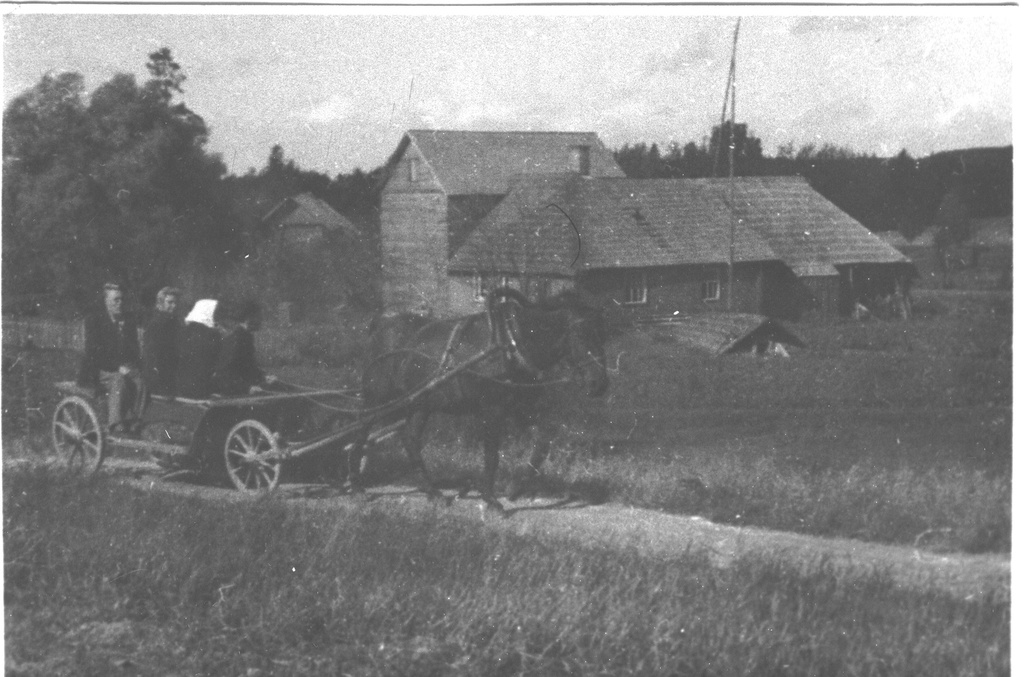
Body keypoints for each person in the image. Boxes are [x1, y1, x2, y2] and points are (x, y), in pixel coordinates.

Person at [77, 282, 147, 433]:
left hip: (122, 368)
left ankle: (136, 421)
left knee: (141, 380)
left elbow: (133, 350)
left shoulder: (128, 321)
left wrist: (135, 366)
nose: (120, 304)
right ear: (106, 301)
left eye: (122, 299)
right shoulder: (94, 320)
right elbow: (93, 353)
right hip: (98, 370)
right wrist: (118, 367)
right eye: (116, 300)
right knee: (118, 380)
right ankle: (115, 424)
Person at [212, 299, 276, 396]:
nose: (261, 320)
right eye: (258, 316)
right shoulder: (236, 339)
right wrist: (247, 388)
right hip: (233, 392)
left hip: (245, 388)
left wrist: (264, 376)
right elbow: (224, 373)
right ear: (249, 317)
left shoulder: (246, 337)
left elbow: (248, 368)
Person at [175, 299, 223, 399]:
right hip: (202, 387)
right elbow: (217, 362)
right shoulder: (213, 335)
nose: (217, 318)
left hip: (180, 387)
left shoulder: (183, 331)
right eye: (215, 314)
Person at [142, 286, 181, 396]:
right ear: (160, 303)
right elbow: (150, 353)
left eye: (175, 303)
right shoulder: (157, 323)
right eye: (170, 302)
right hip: (159, 377)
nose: (174, 306)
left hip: (169, 373)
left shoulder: (173, 322)